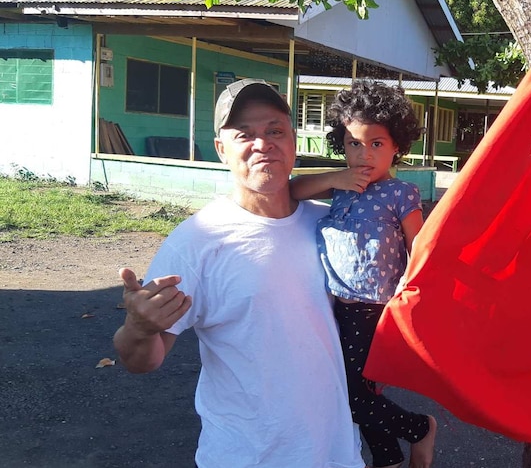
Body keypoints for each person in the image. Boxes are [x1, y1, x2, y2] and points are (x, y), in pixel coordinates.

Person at [112, 78, 365, 468]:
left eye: (274, 131)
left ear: (293, 141)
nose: (263, 144)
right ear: (220, 150)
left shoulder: (333, 225)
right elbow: (142, 360)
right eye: (244, 135)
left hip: (336, 452)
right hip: (248, 456)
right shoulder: (197, 242)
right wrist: (138, 328)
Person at [290, 80, 437, 468]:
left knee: (350, 393)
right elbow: (292, 190)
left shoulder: (401, 193)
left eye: (376, 144)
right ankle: (387, 457)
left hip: (374, 310)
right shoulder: (340, 187)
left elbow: (419, 247)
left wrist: (412, 294)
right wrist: (333, 178)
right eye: (354, 143)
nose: (364, 154)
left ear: (397, 147)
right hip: (333, 307)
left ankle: (419, 428)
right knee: (359, 390)